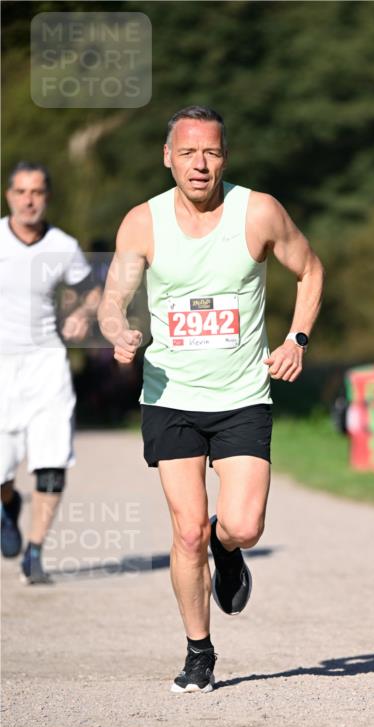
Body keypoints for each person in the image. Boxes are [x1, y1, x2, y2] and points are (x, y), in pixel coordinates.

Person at [98, 106, 325, 693]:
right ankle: (199, 651)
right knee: (187, 531)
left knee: (243, 526)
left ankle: (230, 552)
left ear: (226, 157)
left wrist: (297, 338)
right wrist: (117, 332)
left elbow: (311, 270)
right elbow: (111, 301)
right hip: (170, 396)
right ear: (167, 157)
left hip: (243, 395)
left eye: (212, 153)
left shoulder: (259, 212)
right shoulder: (142, 223)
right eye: (189, 153)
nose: (201, 165)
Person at [0, 162, 100, 583]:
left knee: (52, 461)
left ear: (47, 197)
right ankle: (8, 504)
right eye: (21, 191)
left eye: (37, 192)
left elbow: (93, 288)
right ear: (9, 196)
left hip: (46, 365)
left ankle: (35, 552)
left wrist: (82, 313)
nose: (29, 200)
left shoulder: (63, 245)